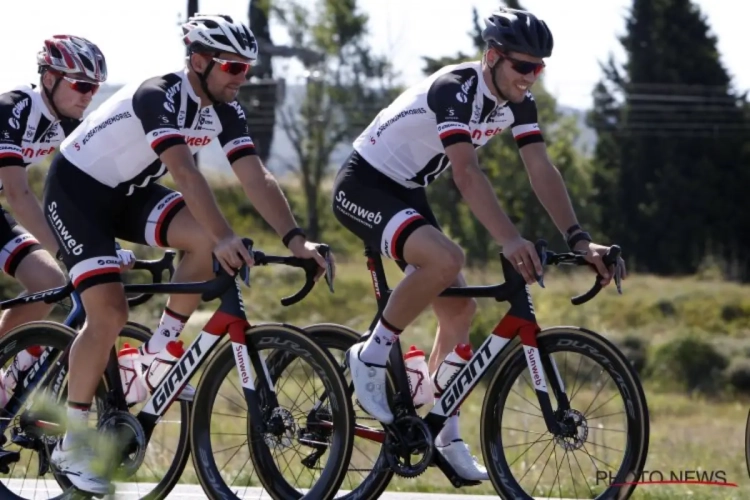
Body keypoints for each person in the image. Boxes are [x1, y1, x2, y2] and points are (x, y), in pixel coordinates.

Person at [333, 7, 625, 481]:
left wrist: (581, 238)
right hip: (363, 185)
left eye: (540, 67)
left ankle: (438, 430)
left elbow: (540, 169)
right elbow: (466, 174)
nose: (533, 76)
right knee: (448, 259)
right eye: (524, 66)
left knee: (459, 312)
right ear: (492, 57)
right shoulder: (457, 88)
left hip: (406, 190)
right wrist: (510, 240)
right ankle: (370, 353)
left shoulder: (517, 101)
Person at [43, 14, 331, 495]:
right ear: (199, 61)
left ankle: (160, 352)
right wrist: (224, 236)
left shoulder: (225, 107)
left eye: (247, 69)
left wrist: (295, 238)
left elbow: (255, 176)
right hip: (77, 193)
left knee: (199, 242)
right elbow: (185, 172)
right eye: (233, 68)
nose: (243, 78)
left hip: (128, 191)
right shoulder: (159, 94)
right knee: (109, 312)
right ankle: (72, 444)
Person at [0, 36, 136, 402]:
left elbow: (78, 199)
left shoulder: (67, 123)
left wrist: (100, 248)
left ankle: (3, 381)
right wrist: (69, 251)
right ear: (49, 79)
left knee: (47, 280)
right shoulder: (13, 108)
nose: (88, 95)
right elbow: (18, 194)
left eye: (94, 87)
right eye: (80, 85)